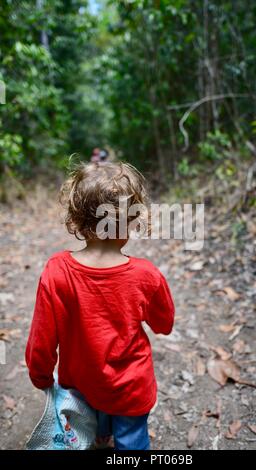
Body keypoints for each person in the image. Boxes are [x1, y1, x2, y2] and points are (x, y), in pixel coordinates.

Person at [25, 161, 175, 450]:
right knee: (131, 443)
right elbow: (164, 325)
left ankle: (100, 435)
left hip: (81, 385)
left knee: (89, 431)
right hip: (131, 387)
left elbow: (41, 340)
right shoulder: (147, 275)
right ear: (131, 221)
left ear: (78, 219)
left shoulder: (56, 271)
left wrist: (41, 375)